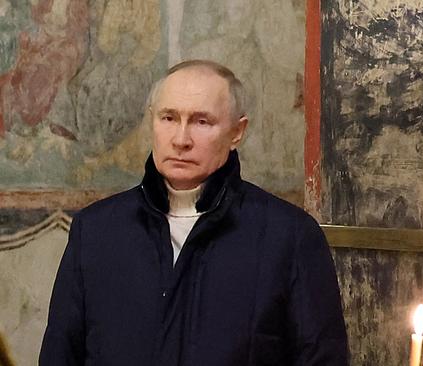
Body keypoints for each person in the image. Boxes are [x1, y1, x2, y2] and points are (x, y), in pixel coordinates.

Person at [39, 60, 349, 365]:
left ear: (237, 132)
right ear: (151, 121)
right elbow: (60, 353)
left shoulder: (289, 236)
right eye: (169, 118)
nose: (181, 139)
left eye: (202, 122)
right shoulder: (96, 231)